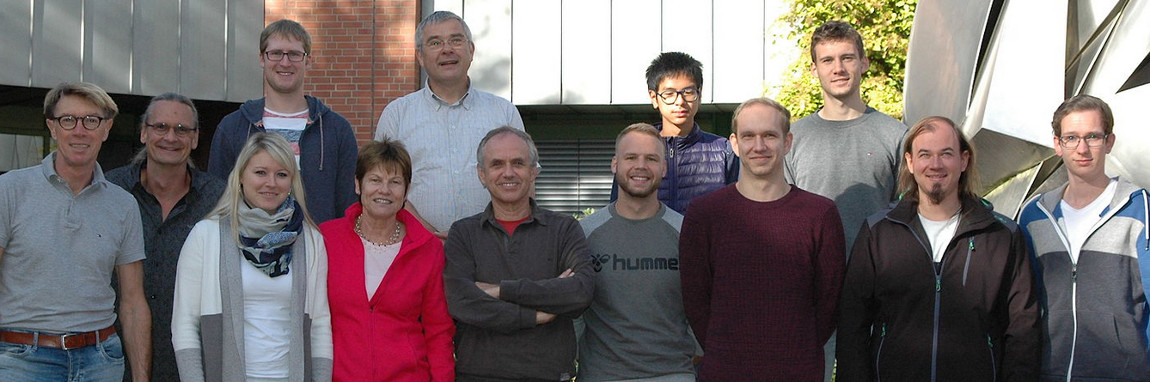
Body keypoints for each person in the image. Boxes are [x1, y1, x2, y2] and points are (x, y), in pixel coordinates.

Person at [837, 116, 1039, 381]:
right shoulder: (879, 233)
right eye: (925, 155)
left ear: (964, 160)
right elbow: (853, 325)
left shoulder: (1002, 235)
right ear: (910, 162)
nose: (935, 165)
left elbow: (1023, 329)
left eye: (946, 154)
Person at [679, 98, 845, 380]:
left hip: (798, 370)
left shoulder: (820, 214)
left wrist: (798, 349)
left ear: (788, 142)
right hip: (725, 370)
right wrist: (725, 350)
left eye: (769, 135)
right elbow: (695, 300)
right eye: (748, 136)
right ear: (734, 143)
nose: (759, 146)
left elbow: (829, 301)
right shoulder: (704, 214)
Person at [0, 82, 151, 381]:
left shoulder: (123, 205)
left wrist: (141, 377)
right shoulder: (10, 190)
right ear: (52, 128)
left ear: (106, 129)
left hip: (101, 360)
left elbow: (133, 302)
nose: (79, 130)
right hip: (23, 360)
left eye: (91, 120)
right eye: (68, 120)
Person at [784, 22, 907, 379]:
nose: (838, 68)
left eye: (847, 58)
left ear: (864, 63)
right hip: (808, 292)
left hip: (876, 289)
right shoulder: (795, 138)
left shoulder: (896, 135)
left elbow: (907, 214)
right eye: (827, 60)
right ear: (814, 69)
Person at [173, 132, 332, 381]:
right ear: (240, 178)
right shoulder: (207, 235)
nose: (271, 183)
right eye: (260, 172)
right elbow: (185, 323)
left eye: (281, 174)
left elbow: (320, 324)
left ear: (292, 182)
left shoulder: (310, 240)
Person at [443, 126, 594, 381]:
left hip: (548, 374)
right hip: (478, 374)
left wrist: (500, 290)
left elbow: (579, 292)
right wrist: (535, 315)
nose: (508, 172)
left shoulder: (564, 229)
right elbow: (460, 302)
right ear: (482, 174)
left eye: (518, 163)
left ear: (534, 171)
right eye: (497, 164)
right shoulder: (463, 234)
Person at [1017, 95, 1150, 380]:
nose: (1082, 148)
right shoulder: (1034, 216)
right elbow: (1023, 305)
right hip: (1049, 371)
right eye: (1071, 138)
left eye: (1093, 136)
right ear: (1057, 145)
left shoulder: (1139, 209)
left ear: (1109, 141)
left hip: (1123, 373)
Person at [106, 92, 226, 381]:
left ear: (195, 139)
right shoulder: (110, 191)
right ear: (144, 133)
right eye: (161, 127)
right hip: (113, 359)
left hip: (194, 362)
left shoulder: (220, 199)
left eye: (181, 129)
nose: (170, 137)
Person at [375, 10, 525, 238]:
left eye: (456, 40)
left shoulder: (503, 112)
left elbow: (525, 182)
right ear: (420, 56)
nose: (447, 49)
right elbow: (383, 189)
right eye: (435, 43)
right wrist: (429, 237)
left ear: (471, 50)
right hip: (417, 248)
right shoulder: (397, 115)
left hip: (493, 247)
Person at [321, 139, 455, 381]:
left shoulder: (428, 249)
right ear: (357, 184)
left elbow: (438, 331)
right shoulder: (326, 240)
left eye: (395, 182)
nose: (384, 190)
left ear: (406, 190)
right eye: (375, 180)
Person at [578, 123, 697, 382]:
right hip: (601, 374)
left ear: (664, 168)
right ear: (615, 164)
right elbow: (570, 310)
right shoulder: (583, 234)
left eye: (651, 159)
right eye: (631, 157)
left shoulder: (687, 233)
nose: (640, 166)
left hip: (672, 374)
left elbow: (702, 306)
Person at [208, 19, 358, 224]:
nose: (285, 63)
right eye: (276, 53)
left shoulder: (336, 130)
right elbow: (217, 200)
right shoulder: (233, 127)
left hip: (318, 250)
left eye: (295, 54)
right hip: (246, 250)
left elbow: (349, 208)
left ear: (308, 60)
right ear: (262, 58)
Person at [613, 52, 738, 214]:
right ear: (654, 98)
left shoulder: (724, 151)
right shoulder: (635, 149)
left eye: (688, 92)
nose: (680, 102)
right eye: (669, 94)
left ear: (699, 94)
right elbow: (617, 209)